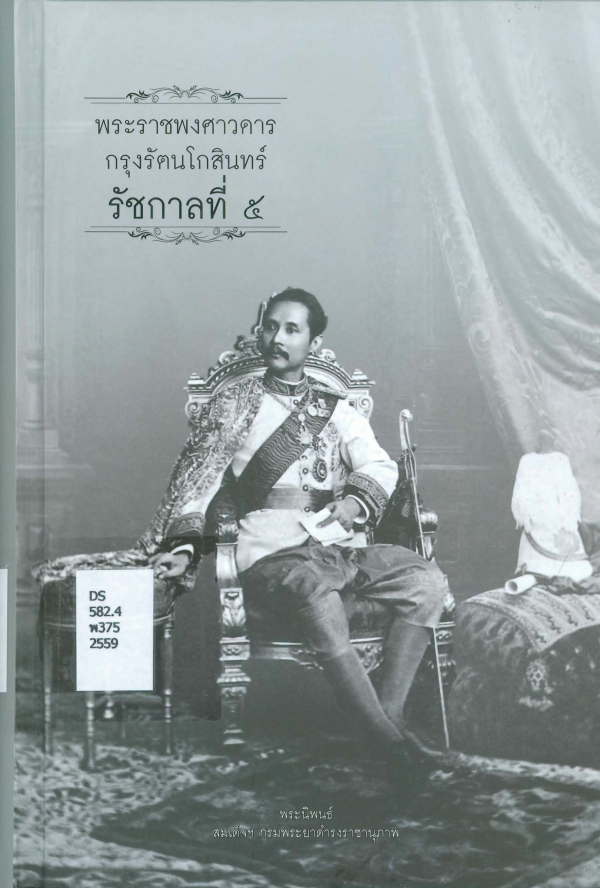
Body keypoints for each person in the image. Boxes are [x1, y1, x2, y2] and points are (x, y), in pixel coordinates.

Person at [151, 287, 448, 774]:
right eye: (271, 327)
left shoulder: (337, 408)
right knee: (314, 587)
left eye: (292, 329)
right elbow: (200, 483)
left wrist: (354, 501)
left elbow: (379, 464)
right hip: (270, 547)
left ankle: (386, 721)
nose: (278, 338)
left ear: (313, 342)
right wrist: (184, 548)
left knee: (427, 582)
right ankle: (390, 744)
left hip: (336, 541)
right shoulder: (234, 405)